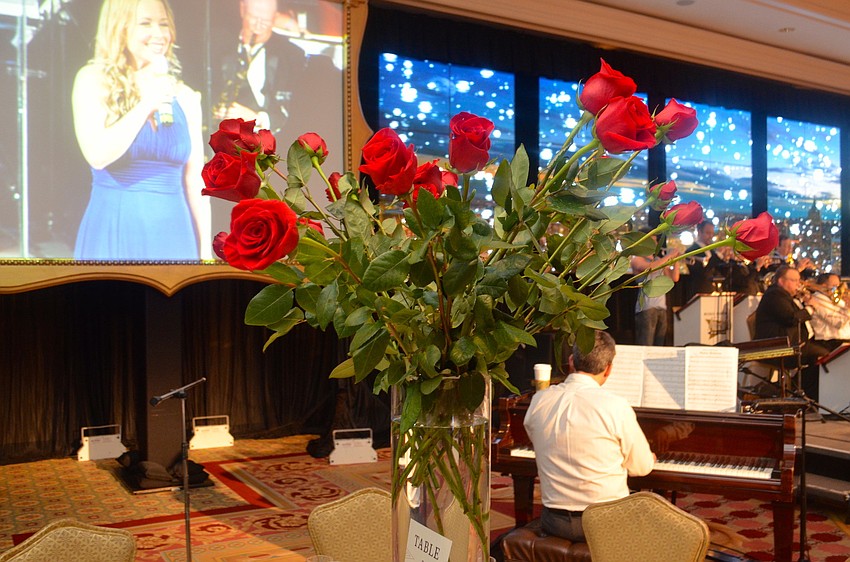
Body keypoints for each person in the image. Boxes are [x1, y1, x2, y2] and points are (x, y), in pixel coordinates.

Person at [72, 0, 210, 260]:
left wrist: (205, 254)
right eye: (145, 23)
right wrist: (146, 103)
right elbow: (97, 155)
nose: (158, 34)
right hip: (115, 227)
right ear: (120, 28)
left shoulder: (185, 96)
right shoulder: (92, 80)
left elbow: (196, 183)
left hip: (174, 233)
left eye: (164, 24)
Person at [523, 330, 655, 542]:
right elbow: (641, 468)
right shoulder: (615, 406)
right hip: (606, 523)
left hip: (554, 522)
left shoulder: (540, 400)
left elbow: (536, 438)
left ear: (571, 361)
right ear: (608, 369)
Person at [214, 0, 337, 138]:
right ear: (242, 10)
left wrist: (256, 118)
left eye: (265, 21)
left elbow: (292, 112)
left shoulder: (291, 56)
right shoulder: (217, 45)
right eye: (253, 18)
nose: (258, 27)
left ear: (274, 19)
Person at [754, 266, 831, 397]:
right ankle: (808, 394)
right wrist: (810, 308)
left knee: (827, 351)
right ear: (781, 281)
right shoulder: (774, 295)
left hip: (794, 342)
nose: (798, 284)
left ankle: (806, 392)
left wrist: (803, 302)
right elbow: (791, 318)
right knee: (823, 357)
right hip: (780, 346)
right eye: (794, 280)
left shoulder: (784, 296)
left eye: (798, 280)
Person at [630, 234, 681, 346]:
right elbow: (651, 268)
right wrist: (669, 256)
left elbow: (674, 278)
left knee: (659, 346)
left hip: (662, 308)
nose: (656, 244)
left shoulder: (659, 260)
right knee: (645, 345)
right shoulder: (637, 259)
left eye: (656, 241)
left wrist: (676, 259)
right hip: (647, 308)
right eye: (651, 241)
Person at [807, 272, 850, 351]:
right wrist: (848, 309)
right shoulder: (817, 299)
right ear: (823, 286)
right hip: (830, 342)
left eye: (839, 285)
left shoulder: (837, 299)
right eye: (835, 286)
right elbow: (837, 323)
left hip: (843, 341)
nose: (838, 289)